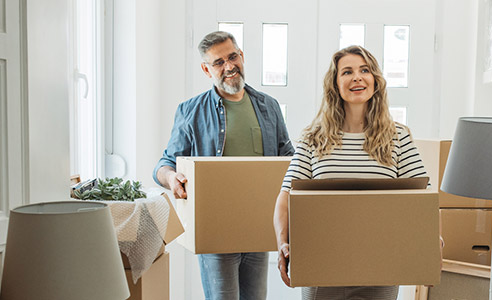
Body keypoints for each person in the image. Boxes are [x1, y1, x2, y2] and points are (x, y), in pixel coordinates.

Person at [273, 45, 431, 300]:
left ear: (375, 81)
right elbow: (285, 196)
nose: (357, 77)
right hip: (321, 266)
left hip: (381, 268)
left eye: (364, 70)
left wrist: (432, 240)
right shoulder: (313, 137)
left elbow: (423, 198)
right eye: (347, 72)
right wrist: (282, 242)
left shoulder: (397, 137)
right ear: (335, 84)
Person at [154, 31, 294, 300]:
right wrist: (172, 178)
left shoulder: (269, 107)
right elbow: (165, 163)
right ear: (206, 70)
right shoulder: (190, 110)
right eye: (218, 62)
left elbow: (288, 159)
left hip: (259, 228)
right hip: (215, 232)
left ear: (242, 56)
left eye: (232, 57)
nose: (229, 66)